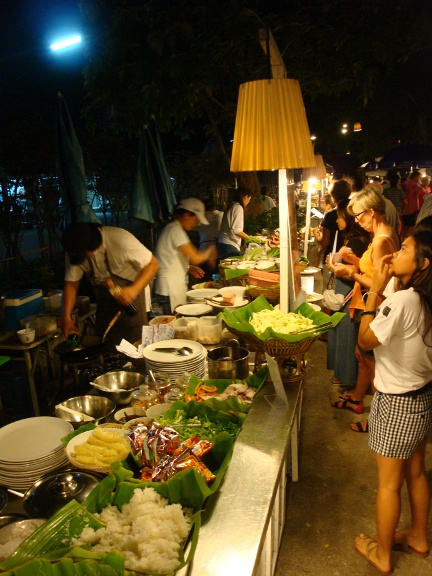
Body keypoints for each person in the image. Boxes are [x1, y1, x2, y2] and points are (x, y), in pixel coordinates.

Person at [353, 228, 432, 575]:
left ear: (422, 263)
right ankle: (417, 536)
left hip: (397, 402)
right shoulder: (422, 296)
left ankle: (382, 554)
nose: (394, 253)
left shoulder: (404, 301)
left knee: (388, 484)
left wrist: (372, 290)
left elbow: (366, 340)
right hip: (421, 397)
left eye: (403, 249)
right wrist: (385, 281)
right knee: (416, 472)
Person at [330, 187, 400, 431]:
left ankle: (377, 420)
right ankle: (357, 400)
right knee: (362, 357)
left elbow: (383, 285)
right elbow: (375, 271)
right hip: (367, 303)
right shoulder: (381, 236)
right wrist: (354, 262)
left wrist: (352, 274)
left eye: (359, 216)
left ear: (372, 212)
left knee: (374, 364)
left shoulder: (382, 241)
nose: (357, 222)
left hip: (376, 306)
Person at [62, 222, 159, 345]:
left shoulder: (121, 240)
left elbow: (153, 264)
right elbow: (71, 284)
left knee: (136, 340)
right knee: (106, 339)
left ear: (93, 246)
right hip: (105, 300)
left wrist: (134, 289)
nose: (83, 260)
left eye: (84, 256)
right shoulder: (75, 247)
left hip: (132, 295)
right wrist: (66, 317)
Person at [325, 198, 370, 388]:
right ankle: (342, 375)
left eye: (340, 217)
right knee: (341, 334)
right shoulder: (351, 239)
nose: (337, 220)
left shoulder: (355, 241)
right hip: (345, 291)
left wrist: (333, 268)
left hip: (350, 294)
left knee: (346, 336)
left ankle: (347, 377)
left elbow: (354, 272)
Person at [154, 197, 217, 314]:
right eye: (196, 219)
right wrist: (211, 250)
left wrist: (188, 268)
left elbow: (169, 259)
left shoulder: (172, 229)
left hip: (169, 288)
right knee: (171, 327)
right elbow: (195, 258)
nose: (195, 224)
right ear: (187, 214)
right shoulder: (175, 230)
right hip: (169, 289)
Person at [311, 179, 351, 284]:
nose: (338, 220)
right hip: (349, 260)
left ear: (333, 198)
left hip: (332, 260)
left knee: (329, 294)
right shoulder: (353, 211)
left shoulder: (330, 215)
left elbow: (324, 242)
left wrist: (316, 234)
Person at [217, 187, 252, 259]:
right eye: (249, 199)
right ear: (246, 196)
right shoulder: (238, 207)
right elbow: (236, 230)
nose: (248, 202)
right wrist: (251, 238)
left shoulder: (231, 206)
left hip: (224, 243)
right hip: (229, 245)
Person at [401, 170, 422, 238]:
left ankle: (402, 241)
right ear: (415, 177)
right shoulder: (413, 184)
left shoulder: (405, 183)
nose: (419, 179)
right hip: (411, 208)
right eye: (419, 178)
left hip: (404, 208)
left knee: (404, 227)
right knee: (410, 227)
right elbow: (422, 191)